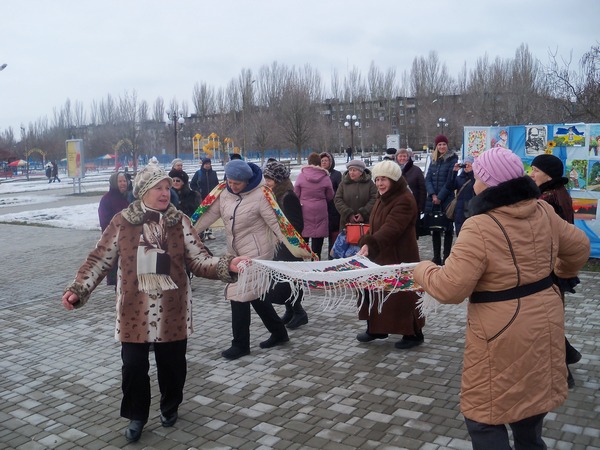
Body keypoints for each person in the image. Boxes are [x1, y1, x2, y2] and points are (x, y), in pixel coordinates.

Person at [414, 147, 590, 450]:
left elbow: (450, 288)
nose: (474, 181)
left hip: (500, 330)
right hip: (545, 319)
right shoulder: (543, 211)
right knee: (531, 404)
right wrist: (556, 274)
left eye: (479, 176)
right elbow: (579, 246)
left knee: (484, 416)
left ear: (489, 182)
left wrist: (423, 270)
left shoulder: (480, 226)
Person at [62, 159, 242, 443]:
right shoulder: (122, 222)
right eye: (157, 187)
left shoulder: (179, 221)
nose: (164, 192)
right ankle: (137, 415)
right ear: (142, 191)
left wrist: (226, 266)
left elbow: (199, 259)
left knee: (172, 367)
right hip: (134, 309)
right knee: (133, 367)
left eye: (166, 187)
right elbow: (100, 259)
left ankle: (170, 405)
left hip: (172, 309)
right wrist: (79, 289)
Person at [194, 160, 296, 360]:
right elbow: (207, 215)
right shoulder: (224, 192)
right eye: (230, 181)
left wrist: (297, 248)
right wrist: (188, 233)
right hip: (235, 253)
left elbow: (277, 224)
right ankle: (279, 333)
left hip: (257, 254)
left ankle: (240, 344)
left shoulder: (261, 195)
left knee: (238, 294)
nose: (232, 186)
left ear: (247, 181)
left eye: (237, 183)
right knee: (256, 297)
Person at [356, 160, 425, 349]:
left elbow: (392, 228)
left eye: (384, 179)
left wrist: (371, 244)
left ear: (394, 179)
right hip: (381, 254)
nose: (379, 183)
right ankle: (377, 329)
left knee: (402, 296)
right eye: (377, 179)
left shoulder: (404, 199)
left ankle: (414, 334)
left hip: (399, 256)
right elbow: (376, 225)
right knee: (378, 292)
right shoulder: (383, 197)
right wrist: (368, 241)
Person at [530, 153, 582, 388]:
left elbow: (548, 238)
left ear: (548, 175)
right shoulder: (558, 193)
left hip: (549, 268)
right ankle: (567, 355)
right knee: (549, 320)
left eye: (535, 171)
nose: (531, 175)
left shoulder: (548, 199)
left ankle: (564, 371)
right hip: (555, 267)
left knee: (547, 323)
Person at [263, 161, 308, 329]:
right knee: (283, 279)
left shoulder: (288, 196)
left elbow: (297, 224)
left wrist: (282, 235)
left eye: (269, 179)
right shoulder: (275, 195)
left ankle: (299, 312)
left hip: (290, 247)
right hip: (280, 244)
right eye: (266, 178)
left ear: (279, 180)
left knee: (291, 280)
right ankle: (290, 310)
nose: (267, 182)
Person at [424, 135, 458, 265]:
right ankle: (436, 256)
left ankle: (447, 257)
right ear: (436, 146)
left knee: (447, 228)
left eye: (444, 144)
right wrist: (432, 194)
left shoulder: (452, 159)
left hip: (446, 199)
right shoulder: (434, 160)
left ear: (447, 145)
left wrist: (440, 197)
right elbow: (427, 179)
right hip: (433, 200)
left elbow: (450, 180)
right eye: (439, 144)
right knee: (435, 227)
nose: (442, 147)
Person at [294, 152, 334, 260]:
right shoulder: (325, 177)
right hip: (320, 209)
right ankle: (316, 259)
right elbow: (330, 195)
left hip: (304, 209)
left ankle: (303, 260)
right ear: (319, 163)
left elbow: (296, 193)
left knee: (304, 236)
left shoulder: (301, 176)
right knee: (318, 237)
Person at [97, 172, 131, 286]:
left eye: (124, 181)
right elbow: (105, 222)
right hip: (116, 242)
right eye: (120, 181)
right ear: (114, 183)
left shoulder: (129, 197)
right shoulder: (107, 199)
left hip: (131, 242)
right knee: (119, 277)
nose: (123, 183)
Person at [334, 159, 377, 233]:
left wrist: (364, 213)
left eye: (354, 170)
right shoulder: (343, 184)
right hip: (346, 223)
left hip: (366, 222)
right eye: (350, 170)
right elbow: (338, 199)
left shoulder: (370, 183)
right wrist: (348, 213)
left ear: (361, 172)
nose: (351, 172)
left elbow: (374, 198)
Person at [190, 158, 219, 240]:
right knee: (202, 215)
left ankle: (209, 231)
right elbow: (192, 184)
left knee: (210, 215)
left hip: (211, 197)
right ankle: (203, 232)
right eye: (206, 164)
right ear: (203, 164)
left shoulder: (213, 173)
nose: (207, 165)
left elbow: (217, 184)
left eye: (209, 164)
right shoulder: (198, 173)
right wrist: (198, 191)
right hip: (201, 198)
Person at [320, 152, 342, 258]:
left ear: (331, 162)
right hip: (321, 207)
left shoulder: (336, 174)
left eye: (326, 160)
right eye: (322, 160)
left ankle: (332, 256)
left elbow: (340, 190)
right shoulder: (318, 174)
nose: (324, 162)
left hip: (333, 208)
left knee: (333, 234)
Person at [446, 156, 475, 236]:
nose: (466, 166)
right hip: (460, 211)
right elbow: (449, 186)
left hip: (471, 210)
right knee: (460, 234)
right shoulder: (460, 178)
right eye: (465, 164)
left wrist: (471, 172)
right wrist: (454, 172)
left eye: (469, 164)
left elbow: (475, 186)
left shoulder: (476, 178)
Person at [396, 148, 426, 215]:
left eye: (404, 156)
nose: (402, 158)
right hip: (397, 206)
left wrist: (421, 206)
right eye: (400, 156)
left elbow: (422, 189)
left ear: (408, 157)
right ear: (396, 157)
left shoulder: (416, 170)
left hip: (413, 204)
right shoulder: (393, 170)